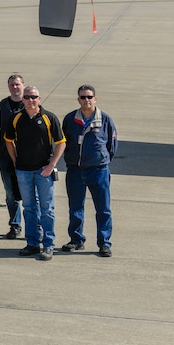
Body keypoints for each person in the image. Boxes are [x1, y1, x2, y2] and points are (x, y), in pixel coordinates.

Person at [4, 85, 65, 260]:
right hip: (23, 171)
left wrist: (51, 165)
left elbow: (61, 143)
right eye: (28, 97)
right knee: (29, 208)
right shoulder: (16, 119)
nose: (31, 100)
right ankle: (32, 243)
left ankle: (48, 244)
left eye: (34, 97)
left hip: (43, 171)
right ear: (23, 99)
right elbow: (8, 141)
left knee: (46, 209)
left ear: (39, 98)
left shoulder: (49, 118)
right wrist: (15, 161)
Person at [61, 84, 117, 257]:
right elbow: (64, 141)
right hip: (75, 170)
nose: (86, 100)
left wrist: (101, 160)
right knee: (75, 206)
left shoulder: (105, 119)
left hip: (98, 170)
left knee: (103, 208)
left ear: (95, 98)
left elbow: (111, 145)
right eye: (83, 97)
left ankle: (104, 243)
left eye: (89, 97)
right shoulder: (70, 119)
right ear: (78, 100)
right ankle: (76, 240)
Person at [0, 73, 27, 239]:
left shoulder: (30, 105)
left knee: (29, 194)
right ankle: (15, 225)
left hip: (27, 159)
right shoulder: (1, 107)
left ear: (23, 85)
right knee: (11, 194)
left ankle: (33, 226)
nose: (15, 87)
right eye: (12, 85)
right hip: (5, 158)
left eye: (17, 84)